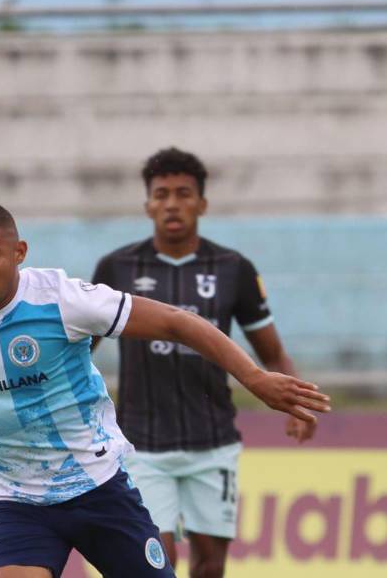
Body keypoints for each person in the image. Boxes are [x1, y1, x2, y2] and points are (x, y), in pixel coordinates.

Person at [0, 200, 329, 578]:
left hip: (97, 486)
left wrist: (253, 377)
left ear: (19, 253)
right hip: (16, 502)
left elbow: (175, 321)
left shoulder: (63, 301)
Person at [91, 147, 312, 577]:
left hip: (212, 444)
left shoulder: (234, 269)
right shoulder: (116, 268)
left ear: (202, 204)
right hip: (141, 444)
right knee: (158, 561)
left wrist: (295, 399)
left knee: (211, 567)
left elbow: (270, 350)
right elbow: (82, 348)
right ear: (148, 204)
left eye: (184, 193)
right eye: (162, 194)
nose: (172, 203)